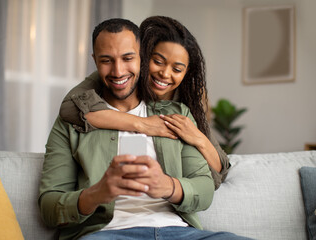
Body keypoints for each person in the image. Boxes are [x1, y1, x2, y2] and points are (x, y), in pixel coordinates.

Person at [39, 18, 251, 240]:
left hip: (179, 232)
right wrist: (96, 193)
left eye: (128, 58)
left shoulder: (179, 114)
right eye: (106, 60)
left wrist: (168, 185)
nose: (118, 70)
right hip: (108, 234)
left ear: (141, 55)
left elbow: (206, 188)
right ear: (95, 60)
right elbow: (49, 207)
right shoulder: (74, 117)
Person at [59, 16, 230, 190]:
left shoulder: (186, 103)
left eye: (177, 69)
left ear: (186, 72)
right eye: (157, 62)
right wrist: (143, 124)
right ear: (143, 55)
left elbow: (220, 170)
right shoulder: (120, 77)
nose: (165, 73)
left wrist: (197, 138)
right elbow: (68, 107)